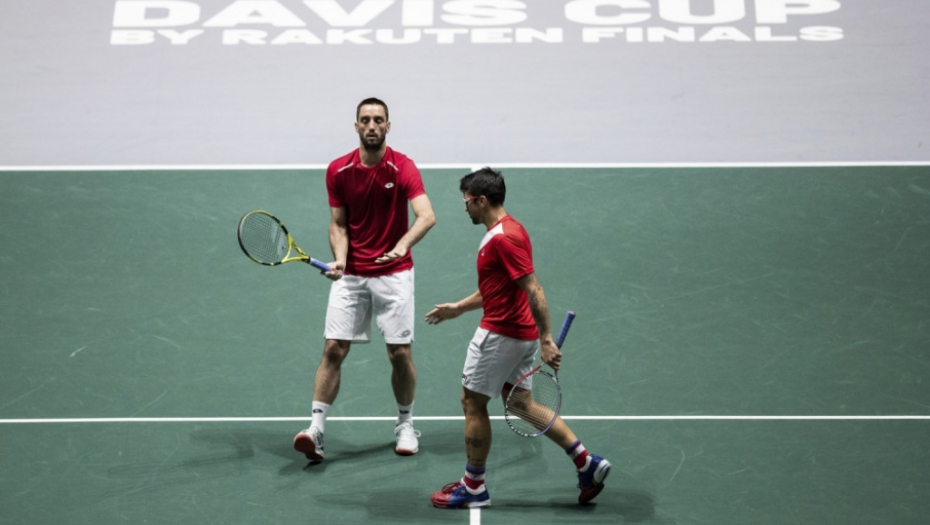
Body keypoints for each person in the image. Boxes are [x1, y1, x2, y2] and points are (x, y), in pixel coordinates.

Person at [425, 168, 610, 508]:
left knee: (473, 403)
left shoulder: (503, 239)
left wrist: (547, 339)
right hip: (518, 333)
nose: (465, 208)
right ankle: (586, 462)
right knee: (521, 402)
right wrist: (459, 308)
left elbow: (533, 287)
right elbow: (498, 287)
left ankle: (474, 487)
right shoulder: (511, 230)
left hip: (501, 335)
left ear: (481, 200)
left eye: (467, 202)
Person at [294, 98, 436, 461]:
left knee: (400, 354)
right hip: (353, 275)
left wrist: (401, 246)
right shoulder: (338, 171)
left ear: (389, 126)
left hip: (394, 274)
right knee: (332, 349)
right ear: (355, 126)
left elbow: (426, 215)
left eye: (378, 120)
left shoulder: (402, 167)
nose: (372, 126)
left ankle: (405, 424)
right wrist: (340, 259)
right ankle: (316, 430)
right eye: (365, 120)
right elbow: (339, 224)